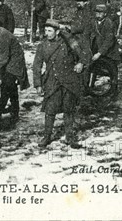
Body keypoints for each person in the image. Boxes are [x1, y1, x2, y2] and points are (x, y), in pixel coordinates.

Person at [33, 19, 89, 148]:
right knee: (50, 110)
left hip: (69, 81)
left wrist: (81, 63)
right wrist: (38, 84)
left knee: (69, 110)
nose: (47, 33)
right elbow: (36, 65)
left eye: (50, 31)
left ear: (57, 32)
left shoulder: (68, 43)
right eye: (46, 30)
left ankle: (70, 137)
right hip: (52, 81)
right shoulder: (42, 46)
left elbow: (84, 55)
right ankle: (47, 136)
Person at [88, 4, 121, 95]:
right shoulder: (93, 22)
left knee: (112, 70)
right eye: (96, 13)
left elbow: (109, 41)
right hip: (97, 49)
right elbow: (88, 34)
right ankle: (90, 89)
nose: (98, 15)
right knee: (92, 68)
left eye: (100, 13)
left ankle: (113, 91)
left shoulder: (109, 23)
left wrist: (99, 53)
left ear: (105, 14)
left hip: (110, 52)